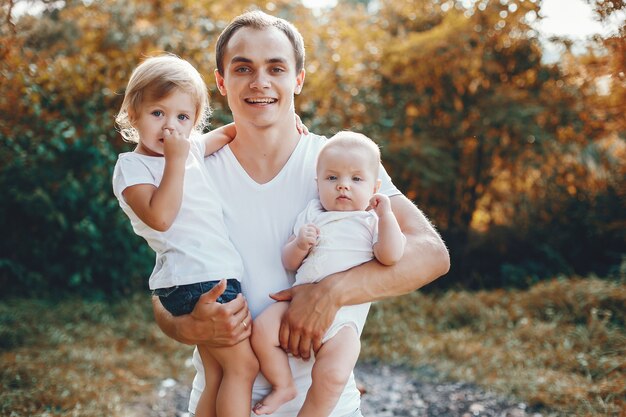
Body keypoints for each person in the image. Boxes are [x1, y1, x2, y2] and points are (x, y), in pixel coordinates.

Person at [151, 10, 450, 417]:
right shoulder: (187, 169)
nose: (260, 82)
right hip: (221, 403)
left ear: (299, 79)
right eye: (243, 68)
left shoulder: (342, 164)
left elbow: (431, 254)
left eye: (276, 67)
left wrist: (332, 292)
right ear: (221, 82)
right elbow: (164, 287)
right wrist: (186, 327)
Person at [111, 54, 259, 417]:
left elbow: (228, 132)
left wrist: (288, 122)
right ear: (134, 115)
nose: (170, 128)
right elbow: (161, 217)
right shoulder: (132, 167)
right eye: (157, 113)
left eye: (182, 117)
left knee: (217, 372)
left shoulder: (188, 147)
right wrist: (176, 161)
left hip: (207, 274)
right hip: (196, 279)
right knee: (244, 369)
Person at [251, 131, 406, 416]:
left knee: (333, 375)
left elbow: (391, 255)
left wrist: (386, 217)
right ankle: (283, 384)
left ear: (375, 188)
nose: (343, 187)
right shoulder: (312, 213)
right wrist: (299, 244)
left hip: (344, 319)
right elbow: (289, 262)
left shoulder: (371, 221)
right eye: (332, 178)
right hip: (298, 302)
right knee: (261, 331)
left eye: (356, 179)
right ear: (317, 183)